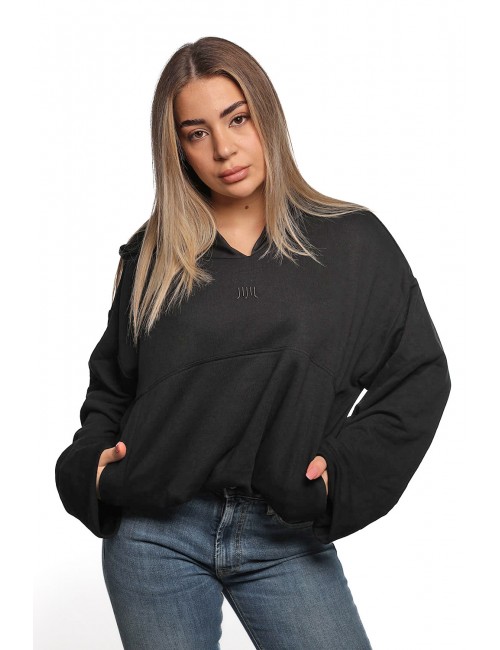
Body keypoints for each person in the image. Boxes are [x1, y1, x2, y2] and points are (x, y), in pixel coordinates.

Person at [55, 36, 451, 649]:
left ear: (266, 115)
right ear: (178, 149)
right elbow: (112, 389)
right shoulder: (152, 256)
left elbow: (418, 374)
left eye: (237, 118)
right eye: (196, 133)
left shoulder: (352, 243)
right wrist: (93, 470)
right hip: (155, 535)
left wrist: (341, 475)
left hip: (285, 533)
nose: (223, 148)